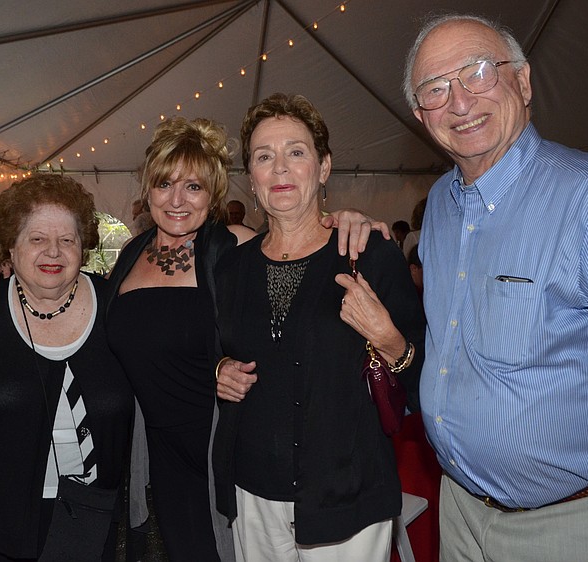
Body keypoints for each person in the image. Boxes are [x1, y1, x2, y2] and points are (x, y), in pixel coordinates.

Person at [104, 116, 391, 561]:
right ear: (148, 190)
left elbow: (295, 249)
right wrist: (10, 277)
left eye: (194, 187)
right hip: (162, 453)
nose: (177, 200)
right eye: (164, 184)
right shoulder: (129, 256)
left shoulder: (231, 247)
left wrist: (348, 220)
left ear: (215, 193)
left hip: (220, 445)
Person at [405, 14, 588, 561]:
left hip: (572, 525)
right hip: (458, 510)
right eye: (436, 89)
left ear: (523, 83)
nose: (459, 102)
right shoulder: (438, 206)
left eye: (478, 73)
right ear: (419, 115)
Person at [212, 93, 425, 561]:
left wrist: (388, 339)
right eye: (265, 157)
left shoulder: (369, 255)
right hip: (254, 489)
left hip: (346, 494)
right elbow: (216, 348)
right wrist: (220, 368)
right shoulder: (232, 269)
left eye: (296, 152)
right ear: (252, 179)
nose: (280, 169)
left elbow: (423, 376)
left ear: (324, 167)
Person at [0, 175, 134, 561]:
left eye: (67, 240)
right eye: (36, 239)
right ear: (10, 249)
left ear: (82, 247)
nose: (53, 252)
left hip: (90, 524)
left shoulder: (118, 311)